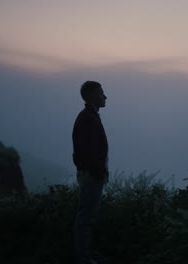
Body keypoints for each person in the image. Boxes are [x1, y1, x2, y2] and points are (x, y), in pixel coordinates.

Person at [72, 80, 109, 264]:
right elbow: (89, 152)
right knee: (86, 217)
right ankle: (84, 258)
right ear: (92, 96)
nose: (105, 96)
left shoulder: (88, 117)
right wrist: (99, 172)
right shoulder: (88, 118)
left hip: (90, 174)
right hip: (91, 176)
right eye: (102, 93)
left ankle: (86, 254)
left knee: (87, 216)